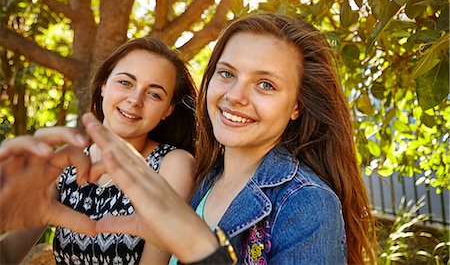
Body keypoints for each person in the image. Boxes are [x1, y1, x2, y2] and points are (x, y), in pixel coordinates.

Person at [0, 13, 376, 264]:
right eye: (227, 74)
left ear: (297, 105)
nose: (235, 96)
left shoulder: (307, 202)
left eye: (265, 84)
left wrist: (201, 249)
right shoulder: (207, 180)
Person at [0, 37, 197, 265]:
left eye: (154, 94)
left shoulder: (173, 164)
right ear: (104, 85)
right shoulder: (66, 163)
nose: (135, 100)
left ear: (168, 110)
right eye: (125, 82)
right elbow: (7, 257)